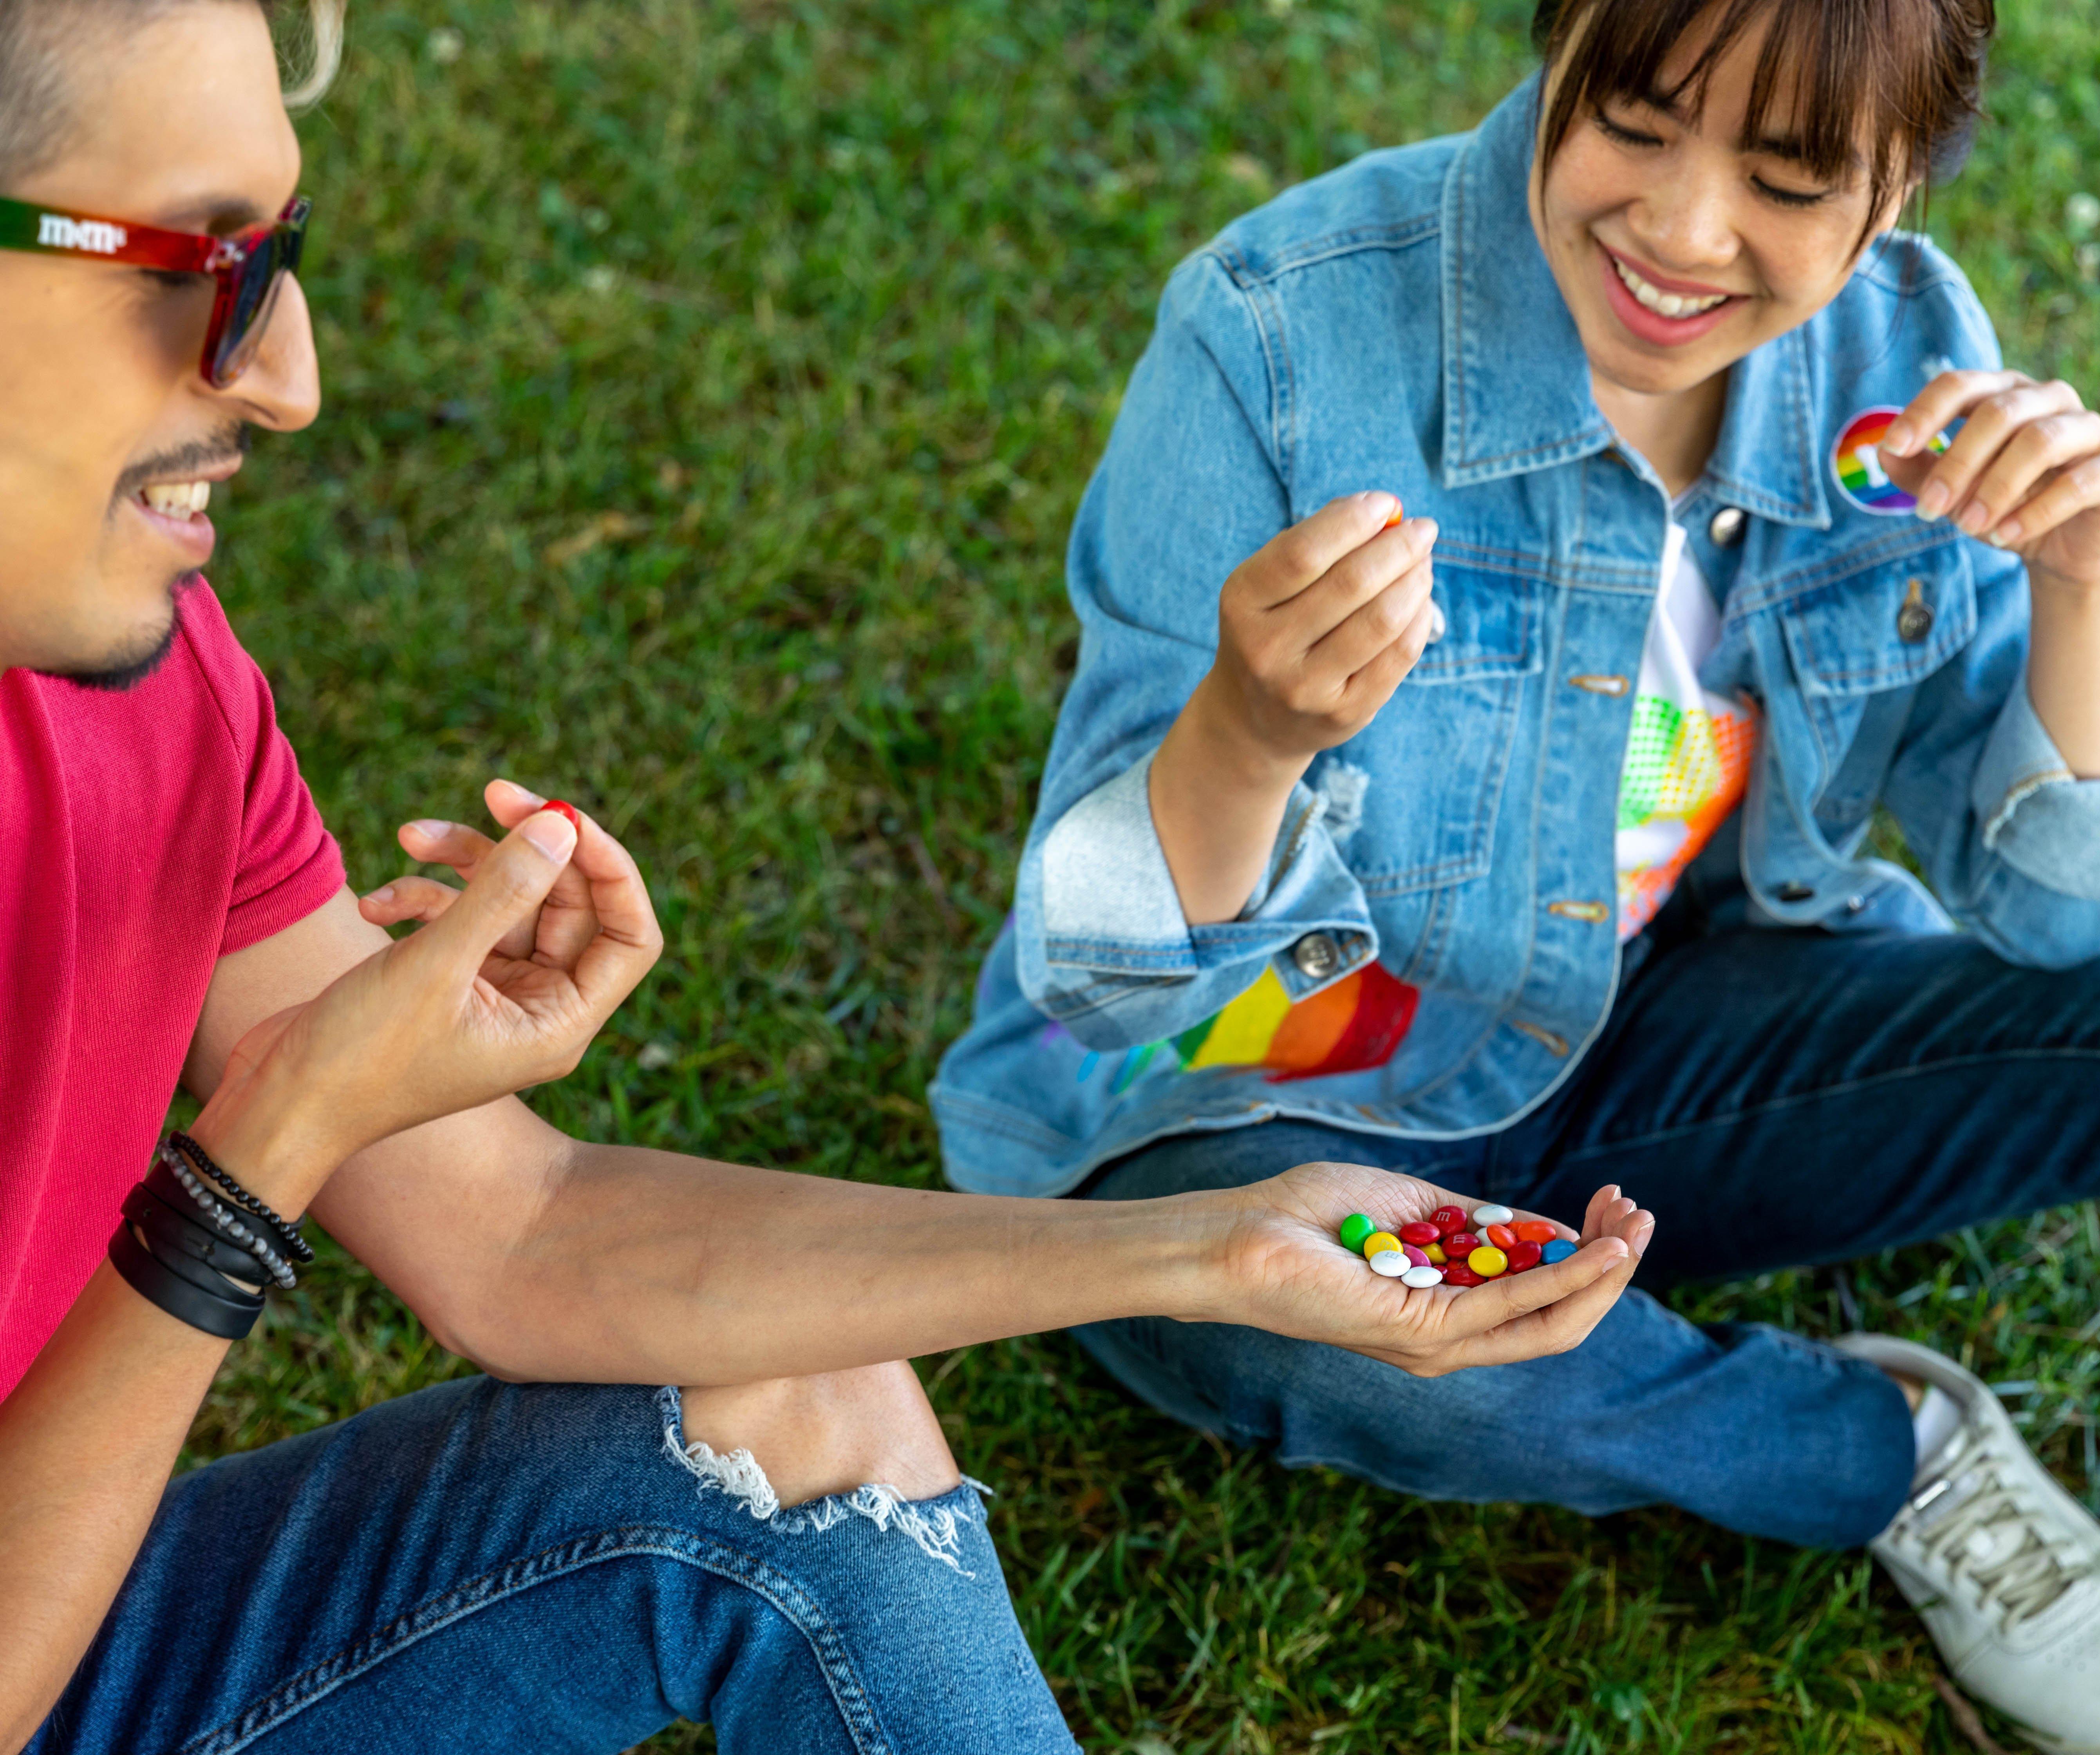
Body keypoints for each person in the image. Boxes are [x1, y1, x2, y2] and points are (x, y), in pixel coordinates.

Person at [0, 3, 1661, 1750]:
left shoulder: (156, 690)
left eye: (284, 257)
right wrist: (258, 1156)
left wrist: (1219, 1249)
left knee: (791, 1413)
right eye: (201, 266)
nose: (287, 374)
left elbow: (518, 1227)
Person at [930, 0, 2100, 1748]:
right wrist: (1244, 732)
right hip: (1252, 1096)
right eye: (1632, 120)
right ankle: (1885, 1451)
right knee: (1326, 1332)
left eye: (1783, 178)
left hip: (1658, 1023)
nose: (1685, 234)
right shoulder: (1284, 335)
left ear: (1897, 185)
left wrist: (2086, 581)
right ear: (1557, 47)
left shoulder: (1898, 364)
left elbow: (2051, 913)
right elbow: (1106, 976)